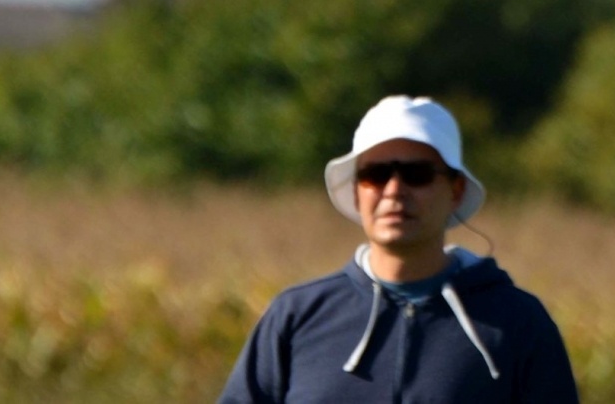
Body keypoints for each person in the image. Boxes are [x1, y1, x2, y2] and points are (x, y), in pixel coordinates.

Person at [219, 95, 579, 403]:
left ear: (455, 190)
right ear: (358, 190)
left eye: (417, 173)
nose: (394, 190)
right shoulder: (296, 316)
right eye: (376, 173)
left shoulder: (518, 323)